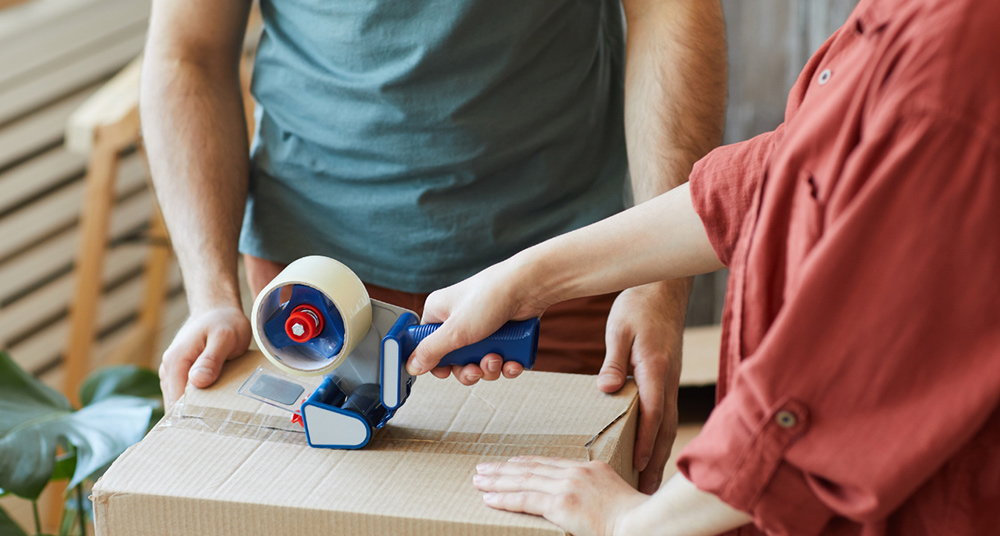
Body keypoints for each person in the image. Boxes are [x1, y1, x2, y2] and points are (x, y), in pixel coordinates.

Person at [405, 0, 1000, 534]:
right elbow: (776, 176)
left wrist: (635, 521)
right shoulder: (909, 20)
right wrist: (526, 279)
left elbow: (819, 396)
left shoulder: (952, 74)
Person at [140, 0, 726, 492]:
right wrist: (212, 294)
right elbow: (187, 51)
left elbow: (671, 11)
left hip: (567, 264)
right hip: (310, 280)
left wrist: (660, 284)